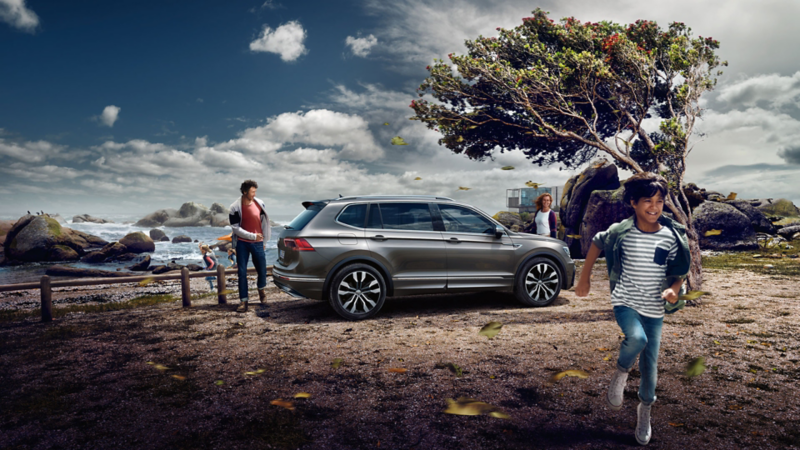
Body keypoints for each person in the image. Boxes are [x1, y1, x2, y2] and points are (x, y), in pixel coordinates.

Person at [575, 172, 691, 446]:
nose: (654, 207)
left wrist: (674, 288)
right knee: (636, 339)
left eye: (659, 201)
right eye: (648, 201)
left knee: (650, 365)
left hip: (654, 309)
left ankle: (645, 410)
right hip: (625, 300)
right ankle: (621, 372)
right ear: (633, 203)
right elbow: (596, 242)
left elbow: (679, 271)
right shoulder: (621, 231)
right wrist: (584, 277)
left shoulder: (670, 236)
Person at [228, 179, 271, 313]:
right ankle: (243, 301)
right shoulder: (234, 207)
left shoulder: (260, 204)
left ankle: (261, 290)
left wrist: (264, 241)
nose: (254, 194)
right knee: (241, 272)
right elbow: (235, 228)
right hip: (242, 244)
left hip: (258, 243)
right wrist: (252, 236)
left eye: (255, 191)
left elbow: (264, 223)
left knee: (262, 270)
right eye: (252, 192)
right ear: (245, 192)